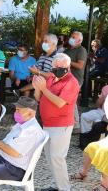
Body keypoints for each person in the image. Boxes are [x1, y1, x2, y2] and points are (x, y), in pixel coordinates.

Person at [33, 53, 80, 191]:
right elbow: (39, 98)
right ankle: (56, 185)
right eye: (55, 66)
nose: (57, 69)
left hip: (61, 124)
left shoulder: (71, 82)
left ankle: (64, 188)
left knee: (57, 158)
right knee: (49, 157)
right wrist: (37, 87)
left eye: (61, 67)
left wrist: (43, 89)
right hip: (47, 123)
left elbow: (60, 102)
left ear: (68, 67)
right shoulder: (52, 77)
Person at [64, 31, 88, 132]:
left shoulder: (81, 50)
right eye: (71, 36)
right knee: (66, 101)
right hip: (65, 78)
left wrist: (67, 61)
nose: (71, 38)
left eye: (74, 37)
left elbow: (80, 65)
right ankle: (68, 121)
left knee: (71, 101)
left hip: (76, 80)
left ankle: (77, 125)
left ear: (79, 40)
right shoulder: (67, 50)